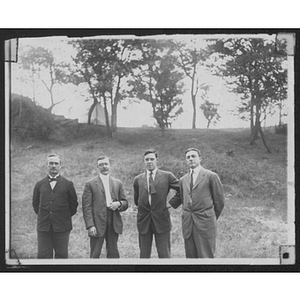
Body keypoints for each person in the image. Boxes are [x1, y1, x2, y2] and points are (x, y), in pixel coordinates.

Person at [169, 148, 225, 258]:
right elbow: (181, 196)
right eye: (188, 157)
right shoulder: (183, 179)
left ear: (200, 158)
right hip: (188, 223)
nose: (190, 159)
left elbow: (220, 202)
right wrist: (167, 205)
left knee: (206, 257)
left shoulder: (211, 176)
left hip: (205, 223)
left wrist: (210, 217)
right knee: (191, 258)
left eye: (193, 156)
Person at [133, 149, 180, 258]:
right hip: (144, 221)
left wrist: (171, 203)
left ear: (157, 160)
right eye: (147, 159)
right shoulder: (138, 179)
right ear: (143, 161)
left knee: (164, 254)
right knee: (144, 255)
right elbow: (137, 199)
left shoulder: (167, 176)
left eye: (152, 159)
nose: (149, 161)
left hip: (161, 220)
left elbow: (182, 190)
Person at [32, 153, 78, 259]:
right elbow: (35, 204)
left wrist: (62, 216)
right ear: (46, 165)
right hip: (44, 227)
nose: (53, 166)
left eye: (56, 163)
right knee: (43, 257)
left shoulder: (68, 184)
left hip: (62, 227)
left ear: (60, 166)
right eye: (51, 163)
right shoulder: (39, 184)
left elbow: (73, 205)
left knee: (62, 256)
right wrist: (47, 216)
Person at [82, 155, 128, 258]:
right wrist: (90, 225)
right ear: (97, 167)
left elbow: (125, 203)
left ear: (110, 165)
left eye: (106, 164)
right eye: (101, 165)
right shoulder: (90, 184)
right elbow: (86, 207)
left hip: (113, 220)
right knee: (95, 252)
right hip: (97, 221)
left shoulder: (117, 183)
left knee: (113, 252)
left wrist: (119, 204)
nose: (104, 167)